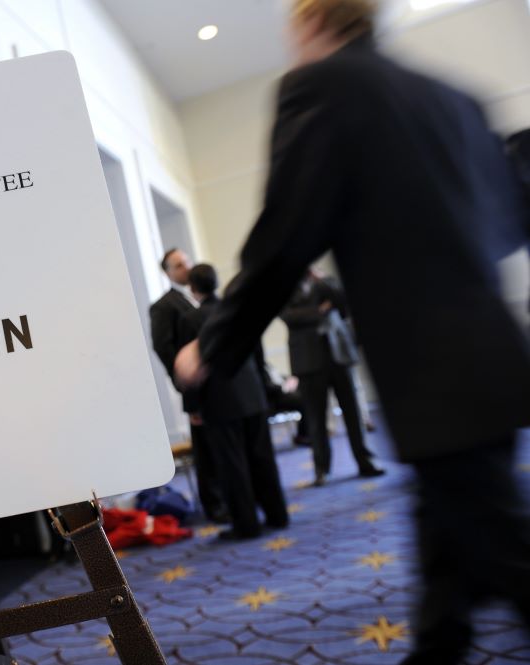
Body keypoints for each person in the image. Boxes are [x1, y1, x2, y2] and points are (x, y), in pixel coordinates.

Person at [173, 1, 530, 662]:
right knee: (452, 541)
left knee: (505, 545)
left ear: (311, 25)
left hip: (433, 371)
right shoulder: (456, 96)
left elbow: (284, 236)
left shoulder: (323, 85)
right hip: (496, 354)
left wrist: (216, 343)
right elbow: (510, 223)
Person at [184, 264, 289, 540]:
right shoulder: (239, 310)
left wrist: (192, 406)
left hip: (219, 400)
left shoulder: (192, 319)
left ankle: (247, 525)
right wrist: (263, 388)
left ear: (192, 289)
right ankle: (278, 515)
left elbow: (193, 368)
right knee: (263, 457)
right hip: (252, 393)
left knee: (233, 465)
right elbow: (257, 353)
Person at [281, 269, 383, 484]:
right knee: (316, 419)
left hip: (338, 355)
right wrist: (320, 310)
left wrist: (322, 282)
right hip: (308, 361)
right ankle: (322, 469)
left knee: (353, 413)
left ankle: (365, 461)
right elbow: (289, 317)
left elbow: (343, 303)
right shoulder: (283, 285)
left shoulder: (325, 281)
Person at [150, 249, 228, 524]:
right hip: (195, 387)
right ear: (168, 273)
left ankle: (231, 499)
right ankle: (215, 506)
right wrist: (186, 382)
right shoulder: (164, 306)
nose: (186, 268)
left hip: (220, 387)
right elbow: (164, 348)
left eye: (187, 263)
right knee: (206, 450)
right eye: (179, 266)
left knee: (223, 445)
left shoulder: (200, 298)